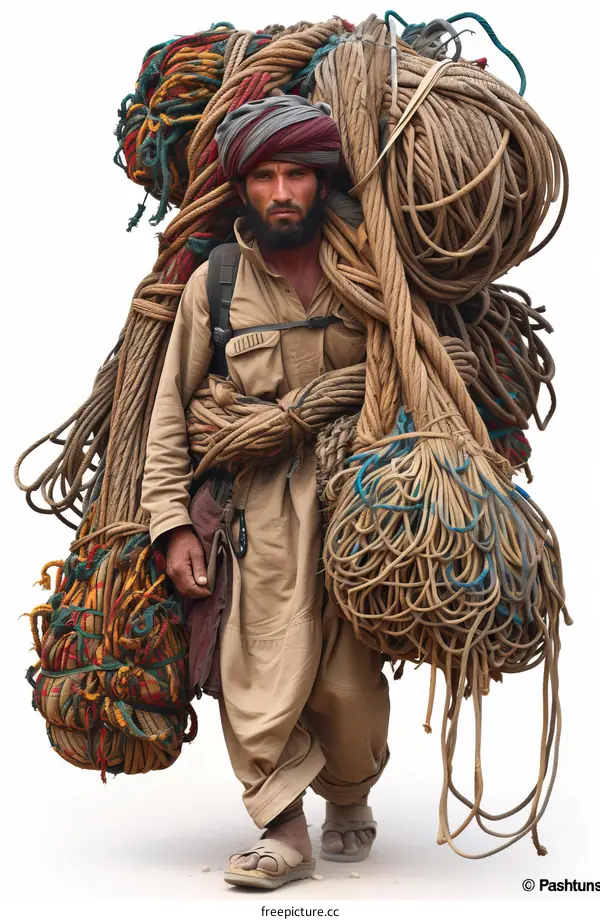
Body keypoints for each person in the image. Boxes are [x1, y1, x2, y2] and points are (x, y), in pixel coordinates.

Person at [141, 96, 391, 889]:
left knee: (348, 684)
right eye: (264, 177)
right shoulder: (215, 284)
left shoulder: (373, 270)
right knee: (253, 673)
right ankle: (282, 828)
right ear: (243, 187)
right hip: (252, 515)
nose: (281, 192)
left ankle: (348, 791)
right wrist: (171, 523)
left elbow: (420, 371)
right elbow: (169, 413)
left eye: (296, 175)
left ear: (322, 182)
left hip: (357, 508)